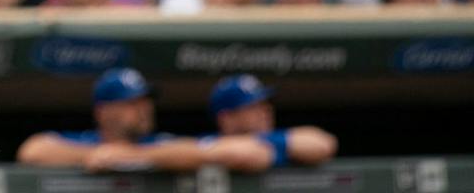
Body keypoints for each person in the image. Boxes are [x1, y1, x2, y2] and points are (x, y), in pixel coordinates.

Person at [17, 68, 207, 171]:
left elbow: (197, 153)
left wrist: (132, 156)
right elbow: (32, 151)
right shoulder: (87, 142)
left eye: (145, 102)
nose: (144, 109)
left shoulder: (156, 143)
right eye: (132, 103)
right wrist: (97, 155)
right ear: (103, 112)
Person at [202, 75, 338, 168]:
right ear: (226, 117)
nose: (265, 111)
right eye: (253, 106)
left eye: (265, 104)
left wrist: (265, 145)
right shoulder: (206, 144)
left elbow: (324, 144)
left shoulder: (273, 140)